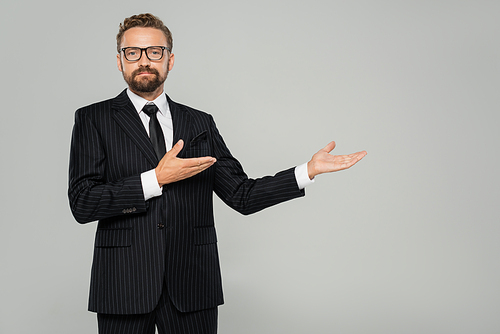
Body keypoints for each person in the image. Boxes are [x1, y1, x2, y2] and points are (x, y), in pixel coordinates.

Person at [68, 13, 367, 334]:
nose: (144, 61)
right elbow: (83, 203)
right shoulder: (93, 119)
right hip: (123, 283)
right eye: (133, 53)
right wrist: (154, 179)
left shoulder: (199, 123)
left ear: (170, 59)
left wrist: (307, 171)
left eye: (155, 52)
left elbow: (242, 194)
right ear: (119, 61)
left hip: (193, 284)